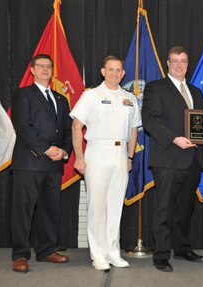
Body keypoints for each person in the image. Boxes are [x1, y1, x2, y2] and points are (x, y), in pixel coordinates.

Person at [70, 55, 141, 271]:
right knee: (97, 206)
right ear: (103, 71)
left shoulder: (130, 97)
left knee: (115, 206)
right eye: (111, 70)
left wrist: (130, 157)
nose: (115, 74)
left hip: (120, 154)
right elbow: (76, 126)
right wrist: (79, 157)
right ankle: (98, 254)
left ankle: (113, 251)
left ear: (124, 73)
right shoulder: (91, 95)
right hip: (97, 152)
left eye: (119, 70)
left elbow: (133, 129)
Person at [141, 46, 203, 272]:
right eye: (175, 61)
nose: (179, 65)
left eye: (183, 61)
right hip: (168, 157)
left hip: (193, 159)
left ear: (188, 64)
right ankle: (161, 253)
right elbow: (150, 121)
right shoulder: (155, 88)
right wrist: (174, 139)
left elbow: (200, 124)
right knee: (164, 209)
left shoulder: (196, 92)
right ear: (167, 63)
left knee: (185, 208)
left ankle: (182, 248)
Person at [10, 54, 72, 273]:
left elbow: (67, 131)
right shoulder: (23, 94)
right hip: (29, 162)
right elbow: (23, 127)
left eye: (49, 66)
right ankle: (20, 254)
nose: (46, 69)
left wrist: (64, 151)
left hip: (54, 164)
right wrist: (46, 149)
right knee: (23, 210)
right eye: (41, 66)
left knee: (50, 209)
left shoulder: (61, 99)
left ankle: (46, 250)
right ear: (32, 70)